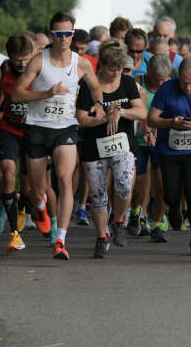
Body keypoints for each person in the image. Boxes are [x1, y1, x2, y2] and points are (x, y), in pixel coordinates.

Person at [13, 11, 106, 260]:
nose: (63, 38)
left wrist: (98, 103)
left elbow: (96, 86)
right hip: (37, 127)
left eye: (68, 34)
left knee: (65, 179)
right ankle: (41, 208)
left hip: (65, 127)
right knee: (37, 188)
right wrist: (46, 93)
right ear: (52, 35)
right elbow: (18, 94)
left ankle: (60, 239)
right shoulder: (38, 61)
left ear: (73, 35)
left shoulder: (81, 63)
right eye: (58, 34)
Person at [75, 42, 147, 258]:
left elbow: (141, 112)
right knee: (98, 195)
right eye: (112, 68)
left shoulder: (126, 83)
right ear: (102, 66)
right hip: (94, 146)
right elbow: (81, 119)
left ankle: (118, 221)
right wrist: (104, 118)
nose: (116, 73)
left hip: (122, 145)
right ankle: (101, 237)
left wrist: (121, 113)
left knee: (124, 186)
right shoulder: (90, 85)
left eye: (119, 68)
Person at [0, 33, 36, 253]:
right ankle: (14, 233)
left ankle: (24, 210)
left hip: (33, 131)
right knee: (7, 172)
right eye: (18, 60)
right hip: (9, 129)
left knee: (28, 184)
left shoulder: (39, 70)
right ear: (10, 57)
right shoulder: (0, 73)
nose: (23, 64)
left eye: (26, 59)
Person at [148, 57, 191, 256]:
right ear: (177, 77)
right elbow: (151, 118)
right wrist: (172, 122)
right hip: (168, 149)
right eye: (184, 82)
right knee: (170, 193)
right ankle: (174, 208)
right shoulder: (167, 89)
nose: (188, 88)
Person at [129, 54, 172, 241]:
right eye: (157, 79)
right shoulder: (136, 84)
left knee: (163, 183)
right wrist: (146, 128)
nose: (162, 83)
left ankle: (157, 223)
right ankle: (137, 210)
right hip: (139, 139)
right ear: (148, 73)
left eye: (165, 79)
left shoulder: (171, 86)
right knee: (140, 184)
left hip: (162, 140)